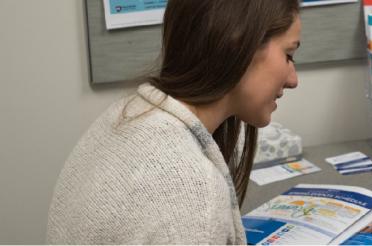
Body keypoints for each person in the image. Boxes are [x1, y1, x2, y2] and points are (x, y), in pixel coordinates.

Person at [47, 0, 301, 244]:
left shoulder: (125, 113)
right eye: (288, 55)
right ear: (237, 42)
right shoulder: (191, 192)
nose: (293, 79)